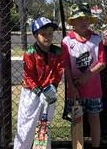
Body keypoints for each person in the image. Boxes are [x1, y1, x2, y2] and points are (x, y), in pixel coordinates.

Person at [14, 17, 66, 149]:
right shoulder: (30, 53)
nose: (48, 37)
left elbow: (58, 71)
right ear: (36, 35)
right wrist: (38, 91)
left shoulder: (58, 52)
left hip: (49, 94)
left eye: (50, 33)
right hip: (31, 94)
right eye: (43, 34)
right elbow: (28, 76)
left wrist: (52, 88)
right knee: (26, 127)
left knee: (44, 129)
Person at [62, 3, 107, 148]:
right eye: (80, 19)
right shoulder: (67, 42)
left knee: (95, 120)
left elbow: (102, 62)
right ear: (72, 22)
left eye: (86, 18)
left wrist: (86, 76)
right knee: (76, 122)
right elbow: (66, 67)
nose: (84, 22)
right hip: (75, 92)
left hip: (93, 91)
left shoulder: (96, 39)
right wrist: (72, 87)